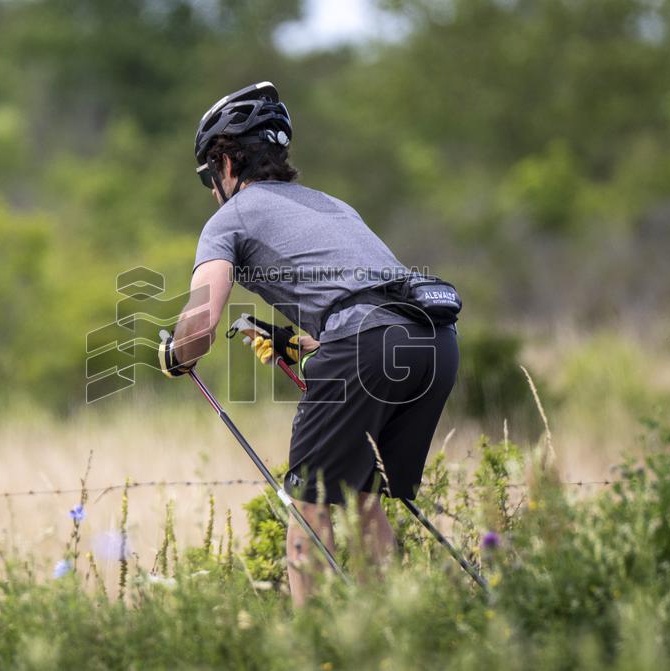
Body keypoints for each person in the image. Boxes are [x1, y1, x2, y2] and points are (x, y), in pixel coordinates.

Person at [158, 81, 459, 606]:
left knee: (309, 507)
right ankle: (400, 634)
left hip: (365, 344)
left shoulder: (228, 219)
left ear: (225, 163)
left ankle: (314, 641)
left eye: (208, 175)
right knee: (363, 499)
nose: (210, 188)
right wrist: (303, 346)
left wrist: (175, 355)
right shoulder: (333, 205)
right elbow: (365, 296)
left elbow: (201, 325)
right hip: (434, 340)